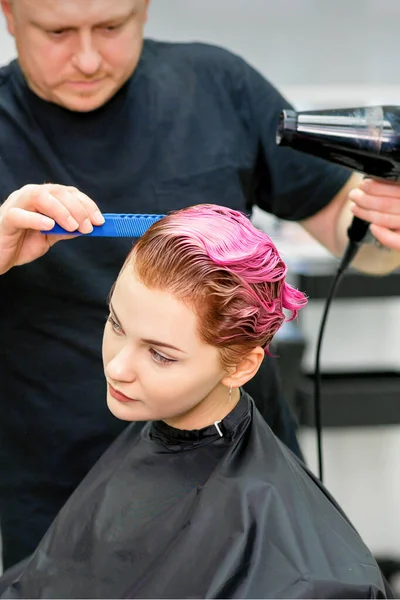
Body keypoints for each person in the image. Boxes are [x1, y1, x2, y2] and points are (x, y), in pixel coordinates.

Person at [1, 0, 400, 570]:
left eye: (111, 27)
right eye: (57, 32)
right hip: (60, 494)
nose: (87, 58)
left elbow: (348, 227)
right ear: (10, 15)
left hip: (237, 484)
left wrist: (383, 229)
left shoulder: (219, 86)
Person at [0, 205, 393, 599]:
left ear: (240, 365)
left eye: (160, 355)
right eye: (116, 324)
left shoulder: (308, 580)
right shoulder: (154, 436)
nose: (117, 367)